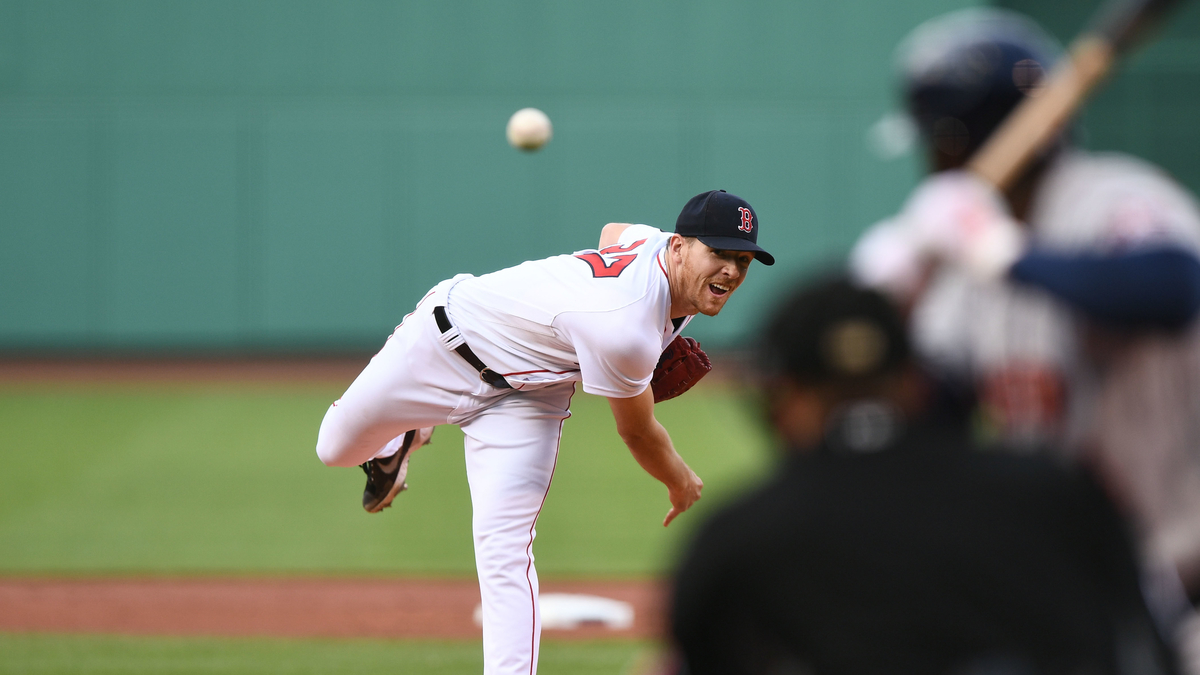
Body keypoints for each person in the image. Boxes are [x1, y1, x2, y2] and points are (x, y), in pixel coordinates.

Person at [315, 189, 774, 675]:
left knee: (505, 549)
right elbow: (637, 432)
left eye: (743, 260)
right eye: (719, 253)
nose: (731, 269)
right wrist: (681, 480)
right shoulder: (624, 328)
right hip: (444, 346)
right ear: (679, 247)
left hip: (528, 396)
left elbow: (614, 232)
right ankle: (403, 434)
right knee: (334, 448)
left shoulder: (655, 248)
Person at [850, 8, 1200, 604]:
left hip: (1185, 570)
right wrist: (885, 317)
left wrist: (998, 250)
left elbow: (1172, 287)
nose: (929, 165)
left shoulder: (1112, 198)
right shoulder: (963, 254)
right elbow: (940, 412)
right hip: (1081, 580)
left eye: (935, 144)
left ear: (961, 140)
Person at [669, 276, 1179, 675]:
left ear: (783, 398)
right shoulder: (1059, 493)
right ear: (916, 385)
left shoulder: (738, 539)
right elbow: (1148, 649)